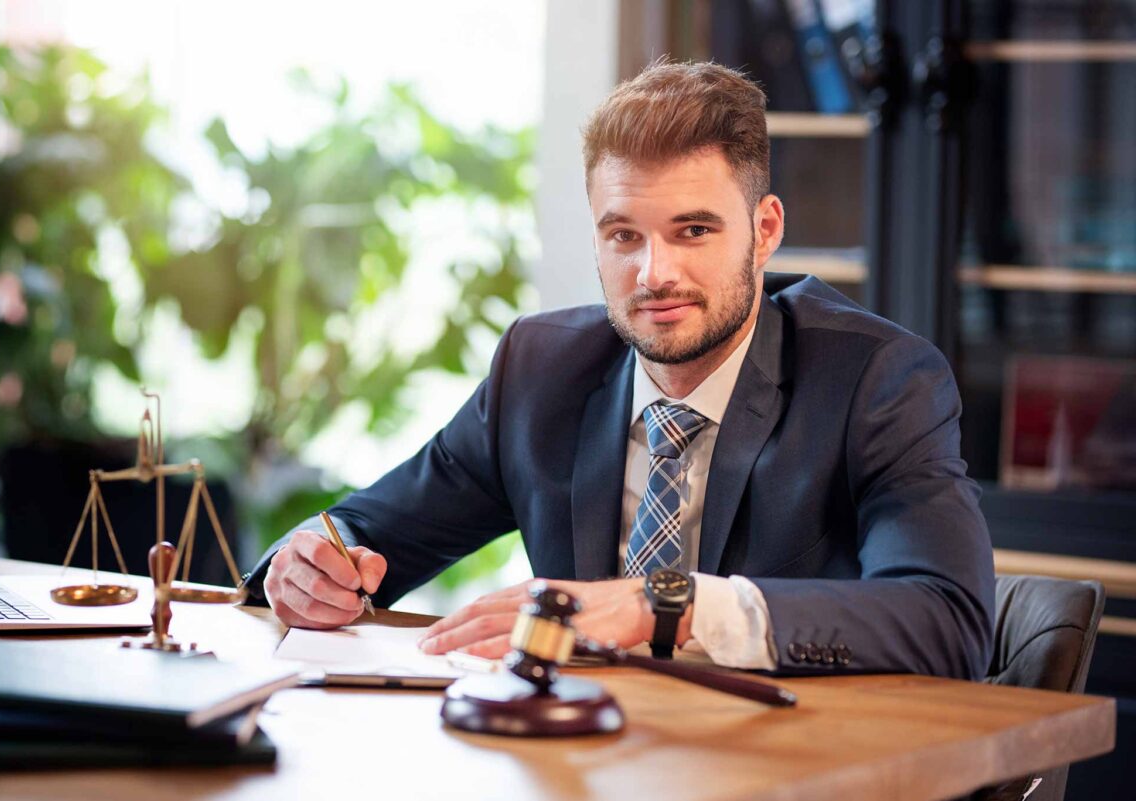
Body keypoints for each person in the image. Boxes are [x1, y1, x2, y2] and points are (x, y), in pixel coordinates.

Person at [242, 61, 995, 678]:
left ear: (765, 231)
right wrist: (311, 561)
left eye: (693, 230)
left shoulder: (878, 380)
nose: (653, 273)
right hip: (581, 763)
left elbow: (948, 619)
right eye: (624, 235)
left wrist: (664, 604)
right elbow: (366, 532)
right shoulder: (539, 369)